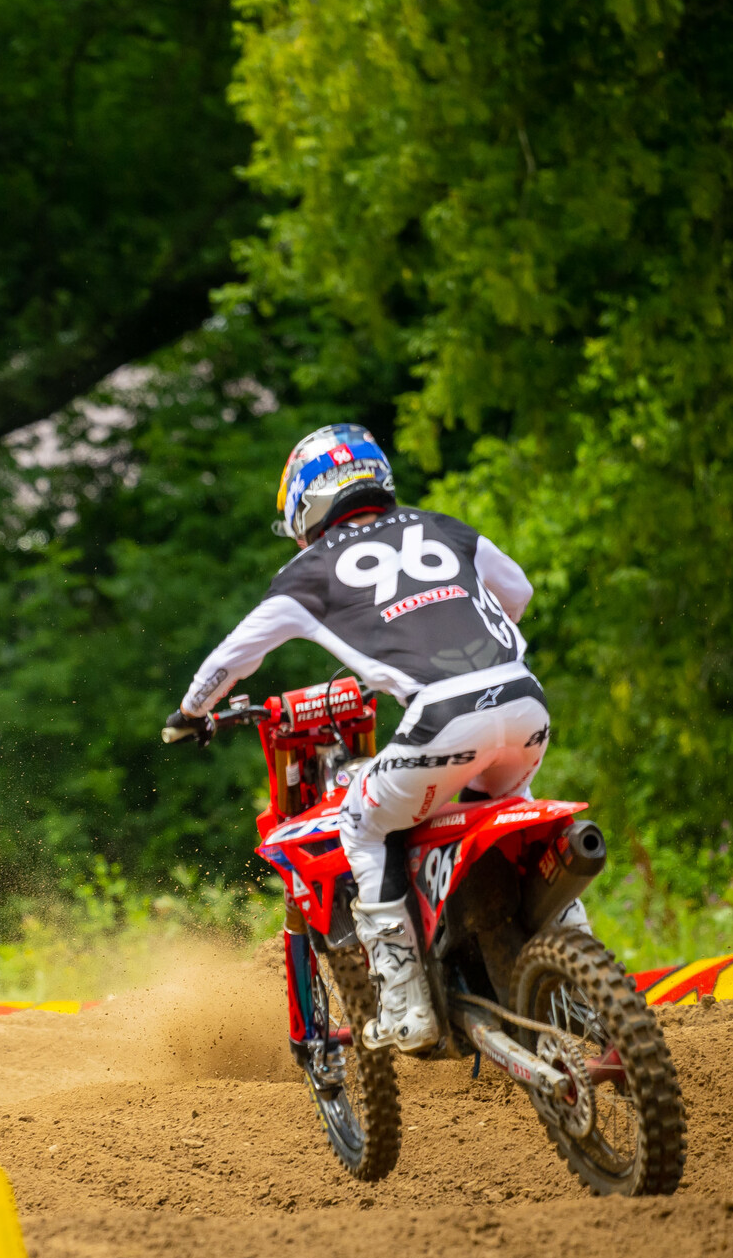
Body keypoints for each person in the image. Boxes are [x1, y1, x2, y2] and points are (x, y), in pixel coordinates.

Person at [163, 425, 547, 1051]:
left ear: (305, 504)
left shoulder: (306, 571)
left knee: (363, 823)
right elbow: (519, 592)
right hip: (527, 705)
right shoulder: (442, 526)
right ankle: (568, 958)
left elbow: (234, 657)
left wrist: (191, 711)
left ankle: (406, 1004)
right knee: (510, 813)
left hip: (443, 718)